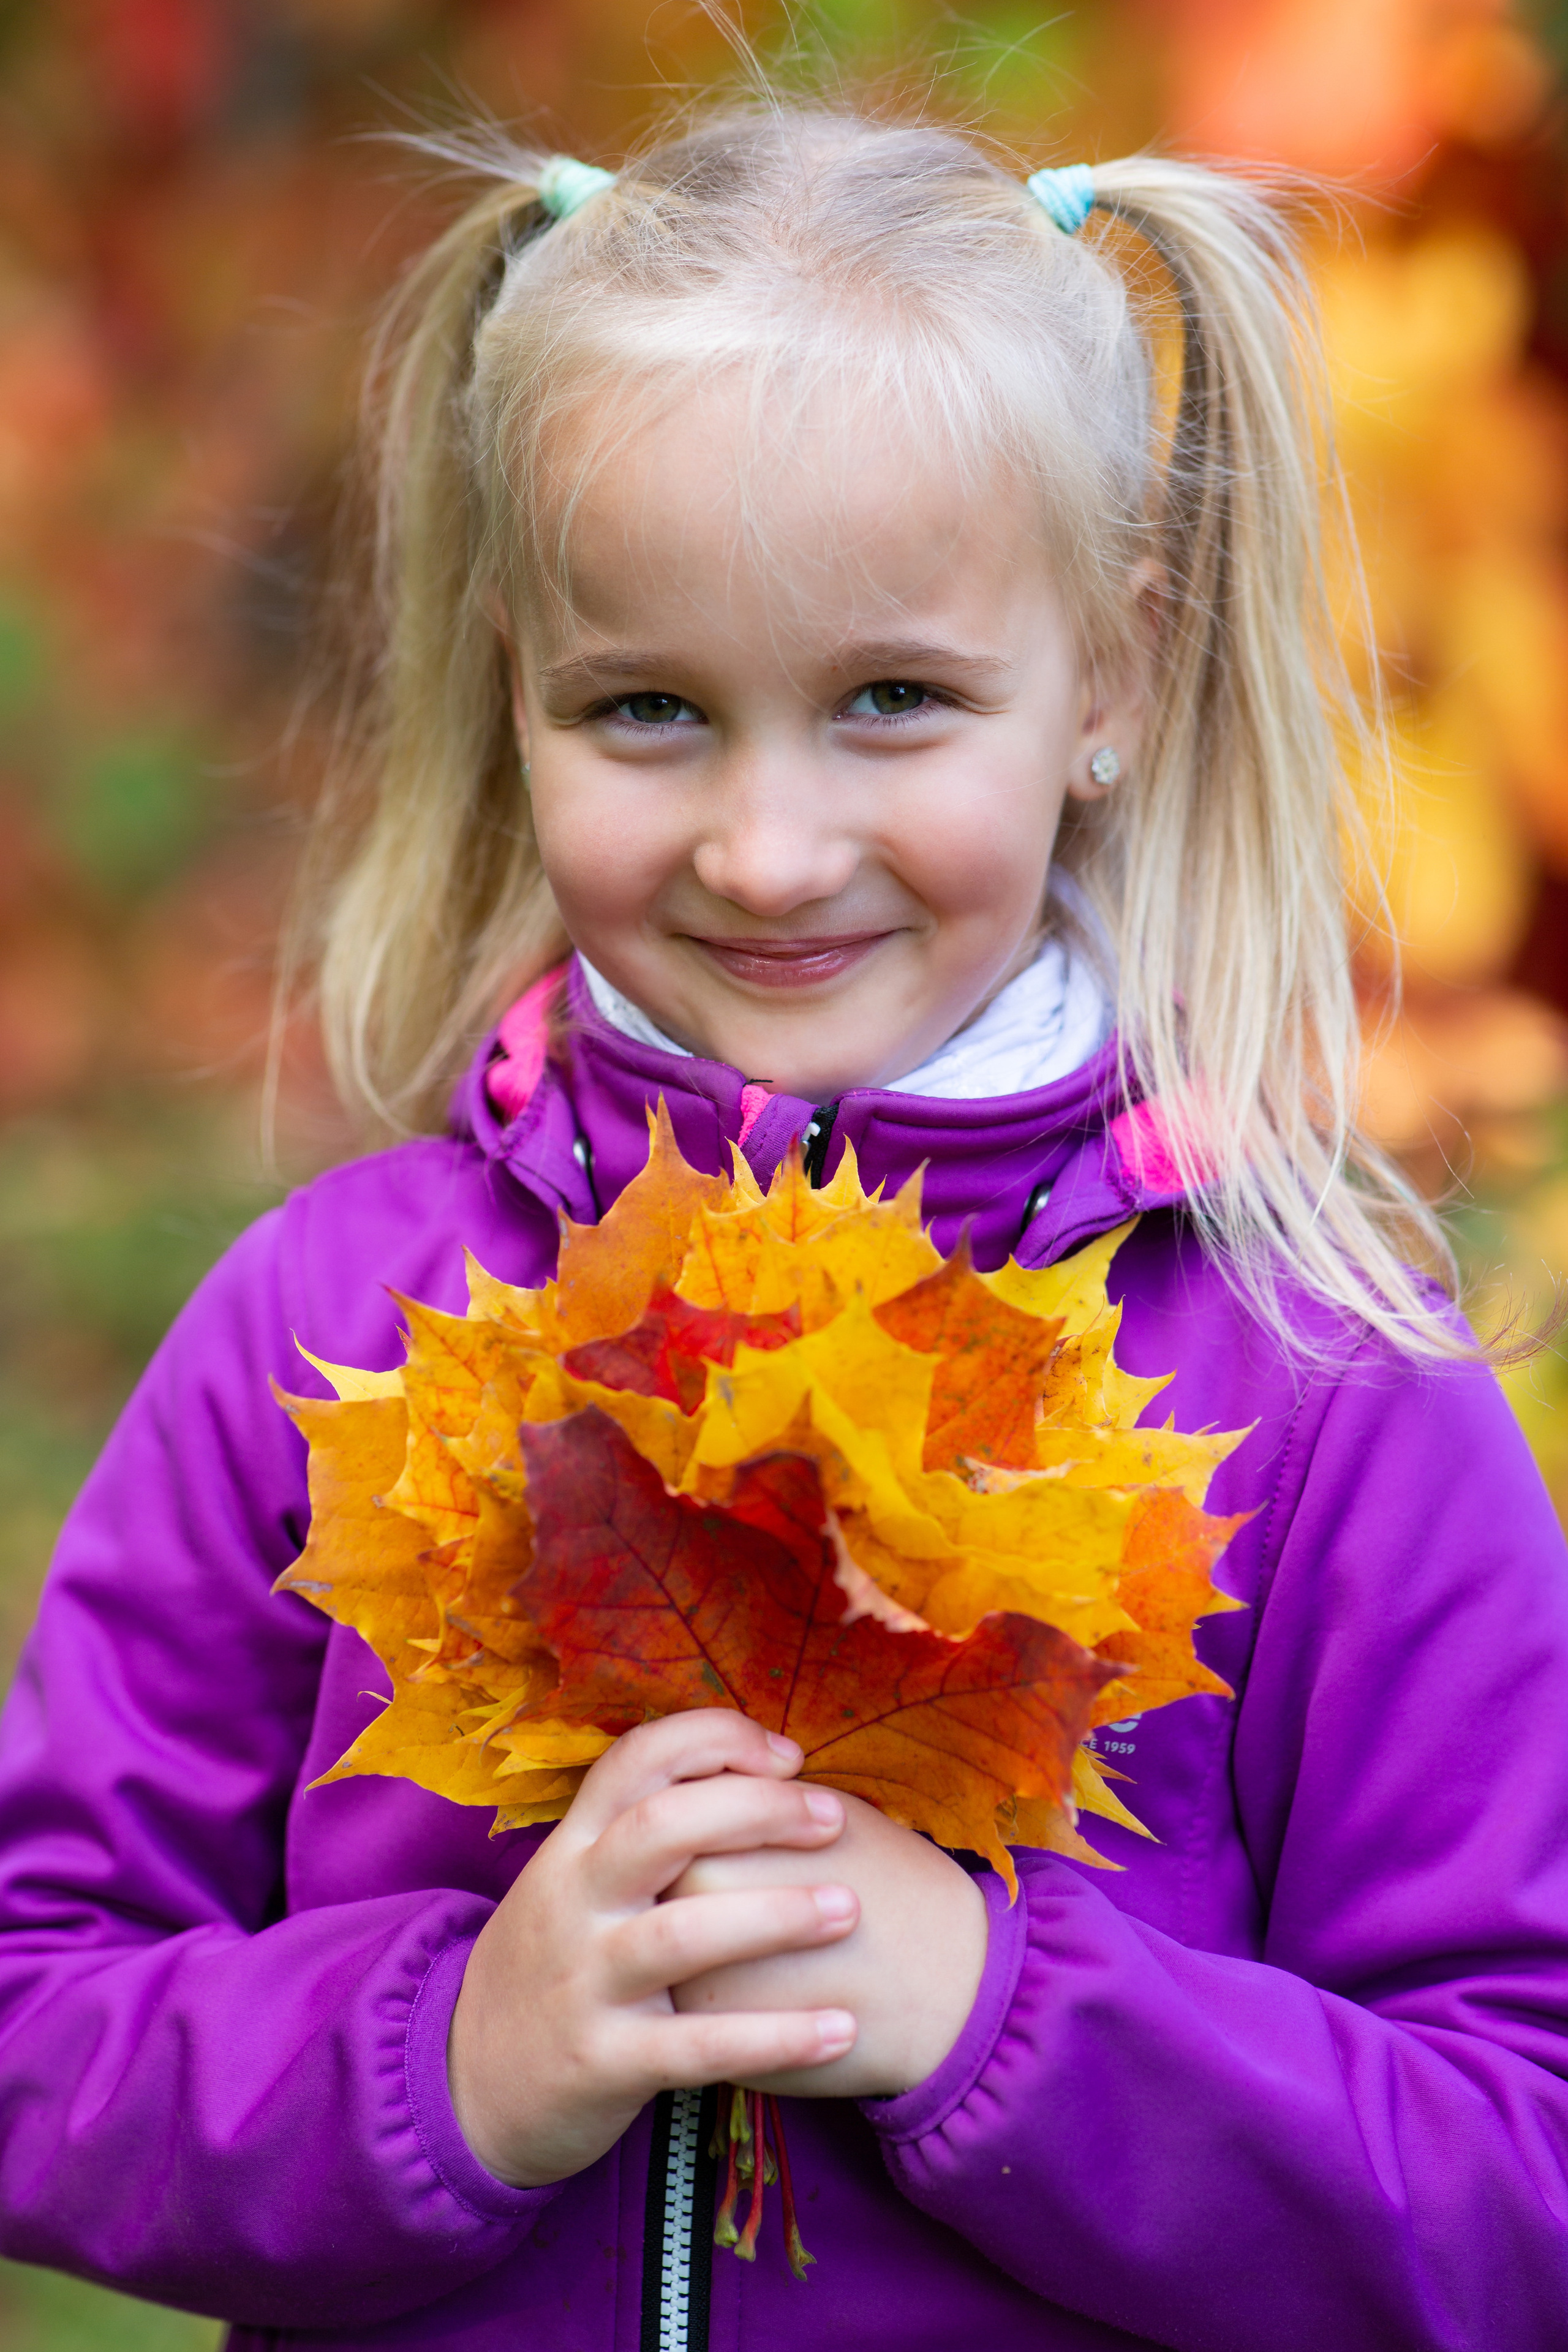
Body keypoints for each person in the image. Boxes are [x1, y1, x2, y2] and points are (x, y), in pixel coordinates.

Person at [1, 98, 1566, 2352]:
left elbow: (1518, 2183)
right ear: (519, 697)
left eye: (892, 704)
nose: (765, 845)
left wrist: (1003, 2018)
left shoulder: (1322, 1389)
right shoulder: (328, 1327)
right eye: (649, 709)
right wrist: (447, 2057)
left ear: (1108, 683)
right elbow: (46, 2031)